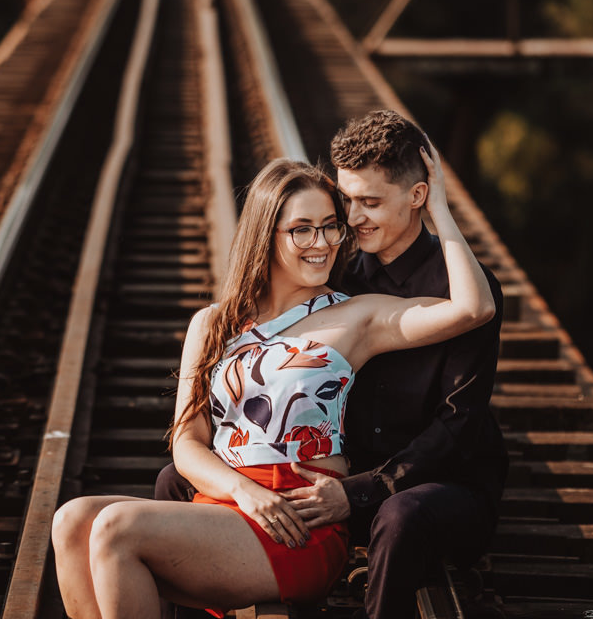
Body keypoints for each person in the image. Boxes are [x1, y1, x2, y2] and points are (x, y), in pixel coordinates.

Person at [52, 136, 495, 618]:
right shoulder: (213, 323)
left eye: (329, 226)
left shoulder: (356, 315)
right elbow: (187, 443)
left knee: (116, 528)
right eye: (301, 230)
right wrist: (242, 490)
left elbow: (474, 308)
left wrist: (439, 210)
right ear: (266, 233)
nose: (321, 243)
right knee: (71, 521)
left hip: (295, 517)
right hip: (231, 499)